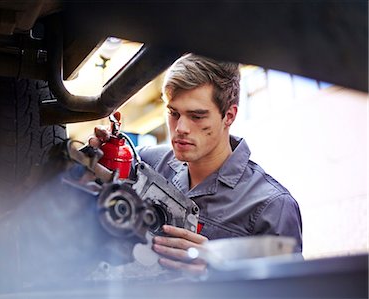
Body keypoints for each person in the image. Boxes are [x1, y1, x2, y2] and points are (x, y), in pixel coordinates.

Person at [89, 53, 302, 275]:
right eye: (173, 113)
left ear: (229, 116)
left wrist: (220, 274)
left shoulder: (273, 207)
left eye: (197, 116)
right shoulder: (146, 162)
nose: (181, 127)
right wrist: (96, 155)